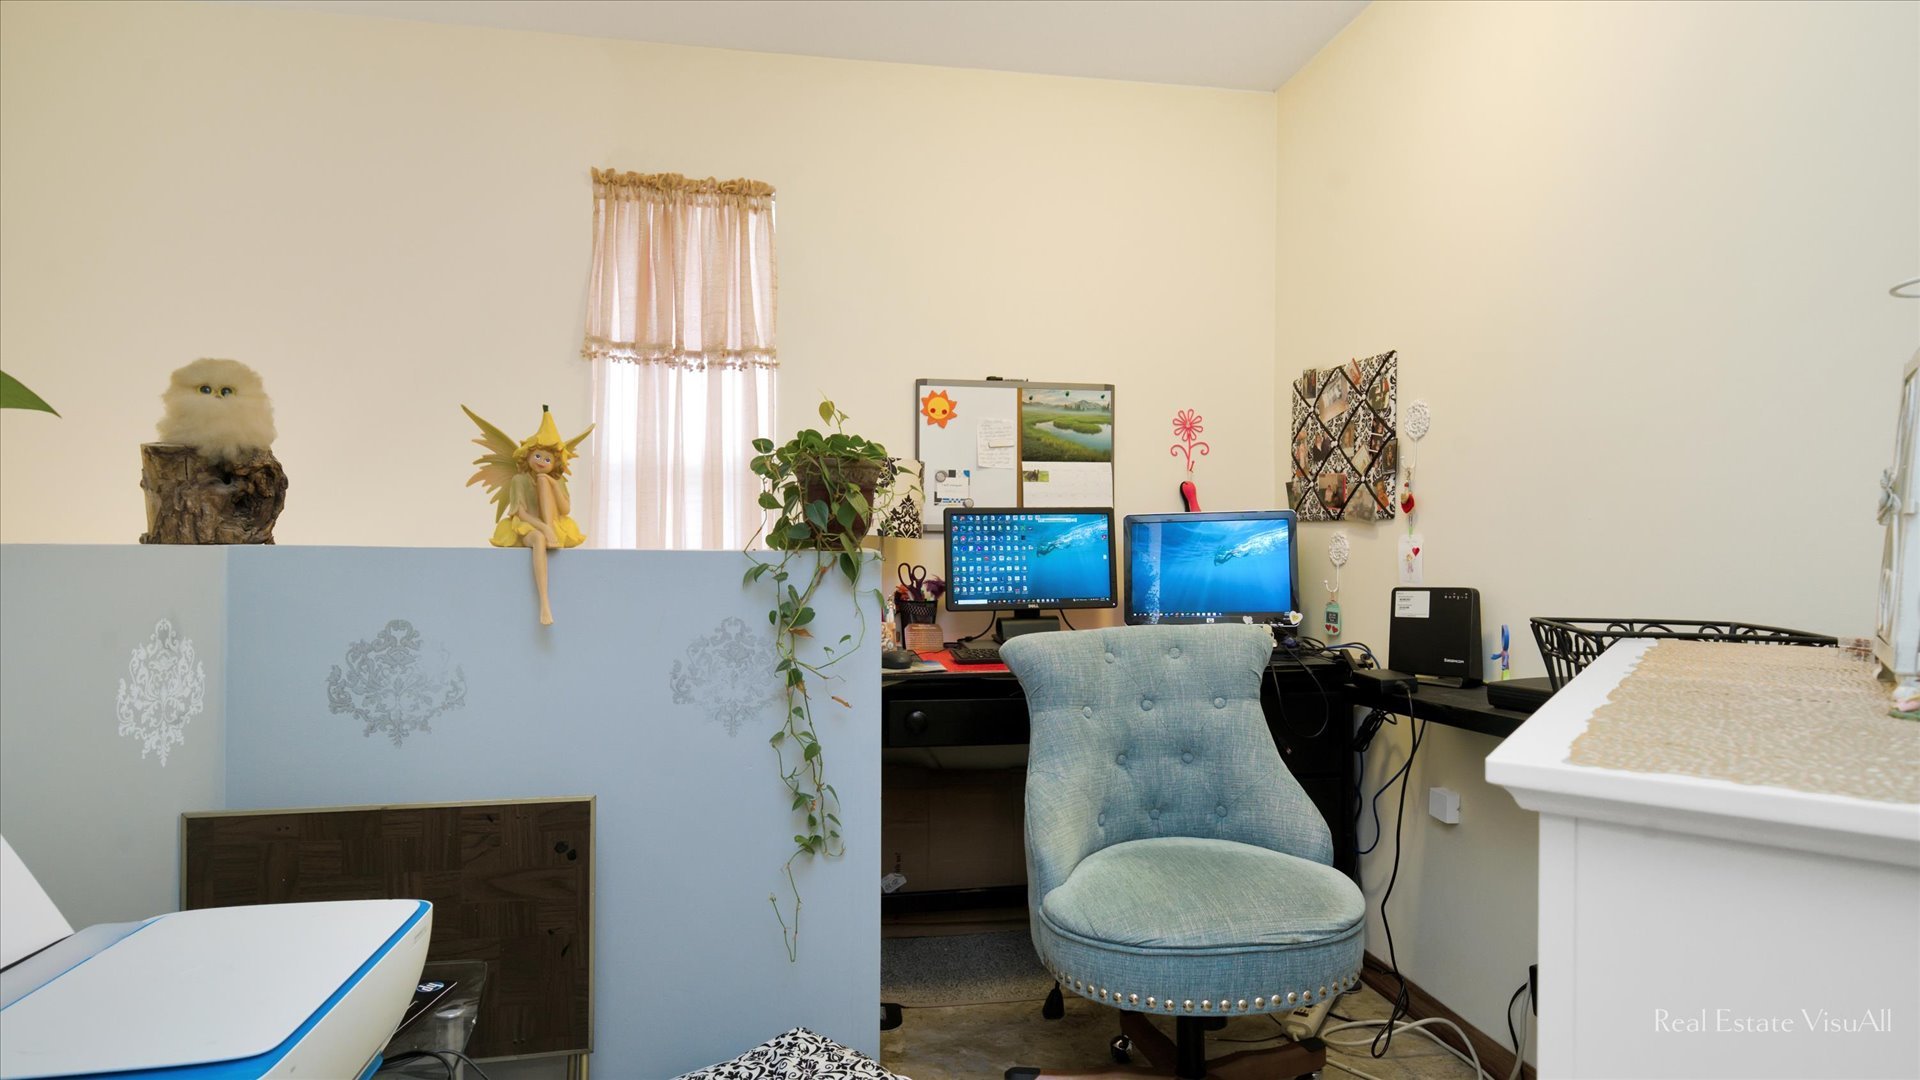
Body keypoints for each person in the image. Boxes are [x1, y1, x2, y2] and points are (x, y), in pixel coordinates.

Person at [465, 405, 592, 626]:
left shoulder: (556, 480)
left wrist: (550, 482)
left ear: (556, 463)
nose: (541, 461)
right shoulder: (519, 480)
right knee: (539, 540)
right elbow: (521, 513)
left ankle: (546, 533)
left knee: (543, 481)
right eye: (538, 455)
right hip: (528, 526)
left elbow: (565, 509)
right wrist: (543, 528)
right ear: (528, 455)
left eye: (547, 459)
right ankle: (544, 603)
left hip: (555, 525)